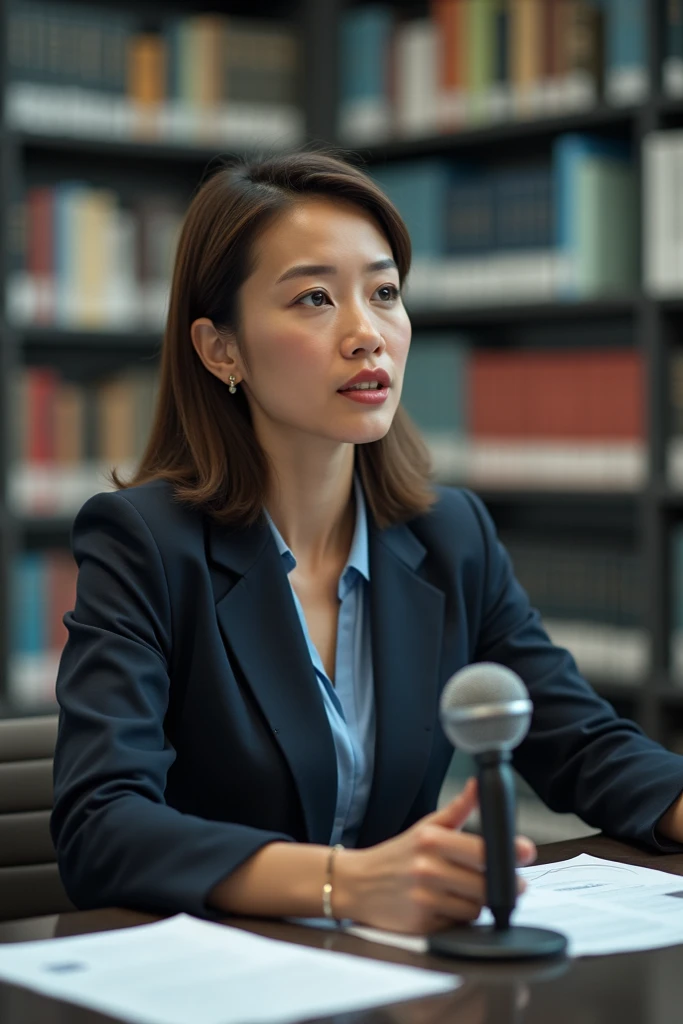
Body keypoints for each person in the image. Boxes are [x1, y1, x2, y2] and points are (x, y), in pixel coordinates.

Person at [50, 151, 683, 936]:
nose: (366, 334)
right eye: (314, 298)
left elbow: (579, 743)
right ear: (221, 350)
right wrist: (341, 884)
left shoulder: (448, 535)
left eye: (383, 294)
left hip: (391, 971)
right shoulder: (145, 544)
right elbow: (101, 826)